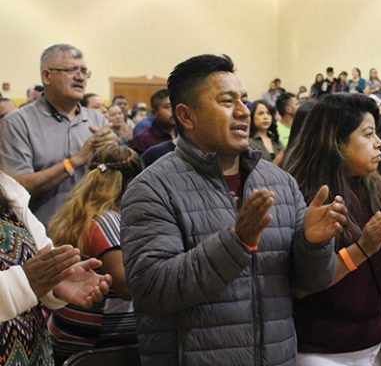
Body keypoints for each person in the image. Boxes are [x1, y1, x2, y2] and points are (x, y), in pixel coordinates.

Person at [120, 54, 347, 365]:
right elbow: (154, 288)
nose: (244, 111)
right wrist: (236, 242)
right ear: (187, 117)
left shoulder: (279, 182)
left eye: (244, 100)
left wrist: (314, 244)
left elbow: (311, 282)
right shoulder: (153, 188)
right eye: (227, 102)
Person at [281, 93, 381, 364]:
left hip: (372, 342)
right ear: (336, 143)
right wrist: (362, 248)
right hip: (318, 349)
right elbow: (302, 285)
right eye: (367, 135)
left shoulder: (375, 187)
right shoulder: (305, 194)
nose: (379, 144)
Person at [1, 168, 111, 365]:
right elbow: (25, 281)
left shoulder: (7, 187)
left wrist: (58, 278)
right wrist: (22, 285)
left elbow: (41, 255)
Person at [0, 44, 115, 225]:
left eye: (84, 71)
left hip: (91, 233)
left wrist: (113, 152)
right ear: (47, 76)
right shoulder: (17, 122)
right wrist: (73, 162)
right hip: (41, 239)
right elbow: (15, 188)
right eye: (71, 70)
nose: (80, 77)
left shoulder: (97, 121)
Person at [46, 145, 143, 363]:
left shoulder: (81, 212)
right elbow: (126, 286)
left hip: (72, 334)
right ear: (132, 181)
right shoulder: (107, 220)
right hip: (92, 345)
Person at [128, 89, 175, 155]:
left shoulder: (184, 134)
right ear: (154, 113)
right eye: (168, 107)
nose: (174, 110)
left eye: (175, 105)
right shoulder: (141, 140)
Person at [248, 100, 285, 165]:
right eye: (261, 113)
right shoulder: (248, 142)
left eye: (268, 113)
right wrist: (275, 162)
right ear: (252, 116)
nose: (266, 117)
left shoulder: (275, 140)